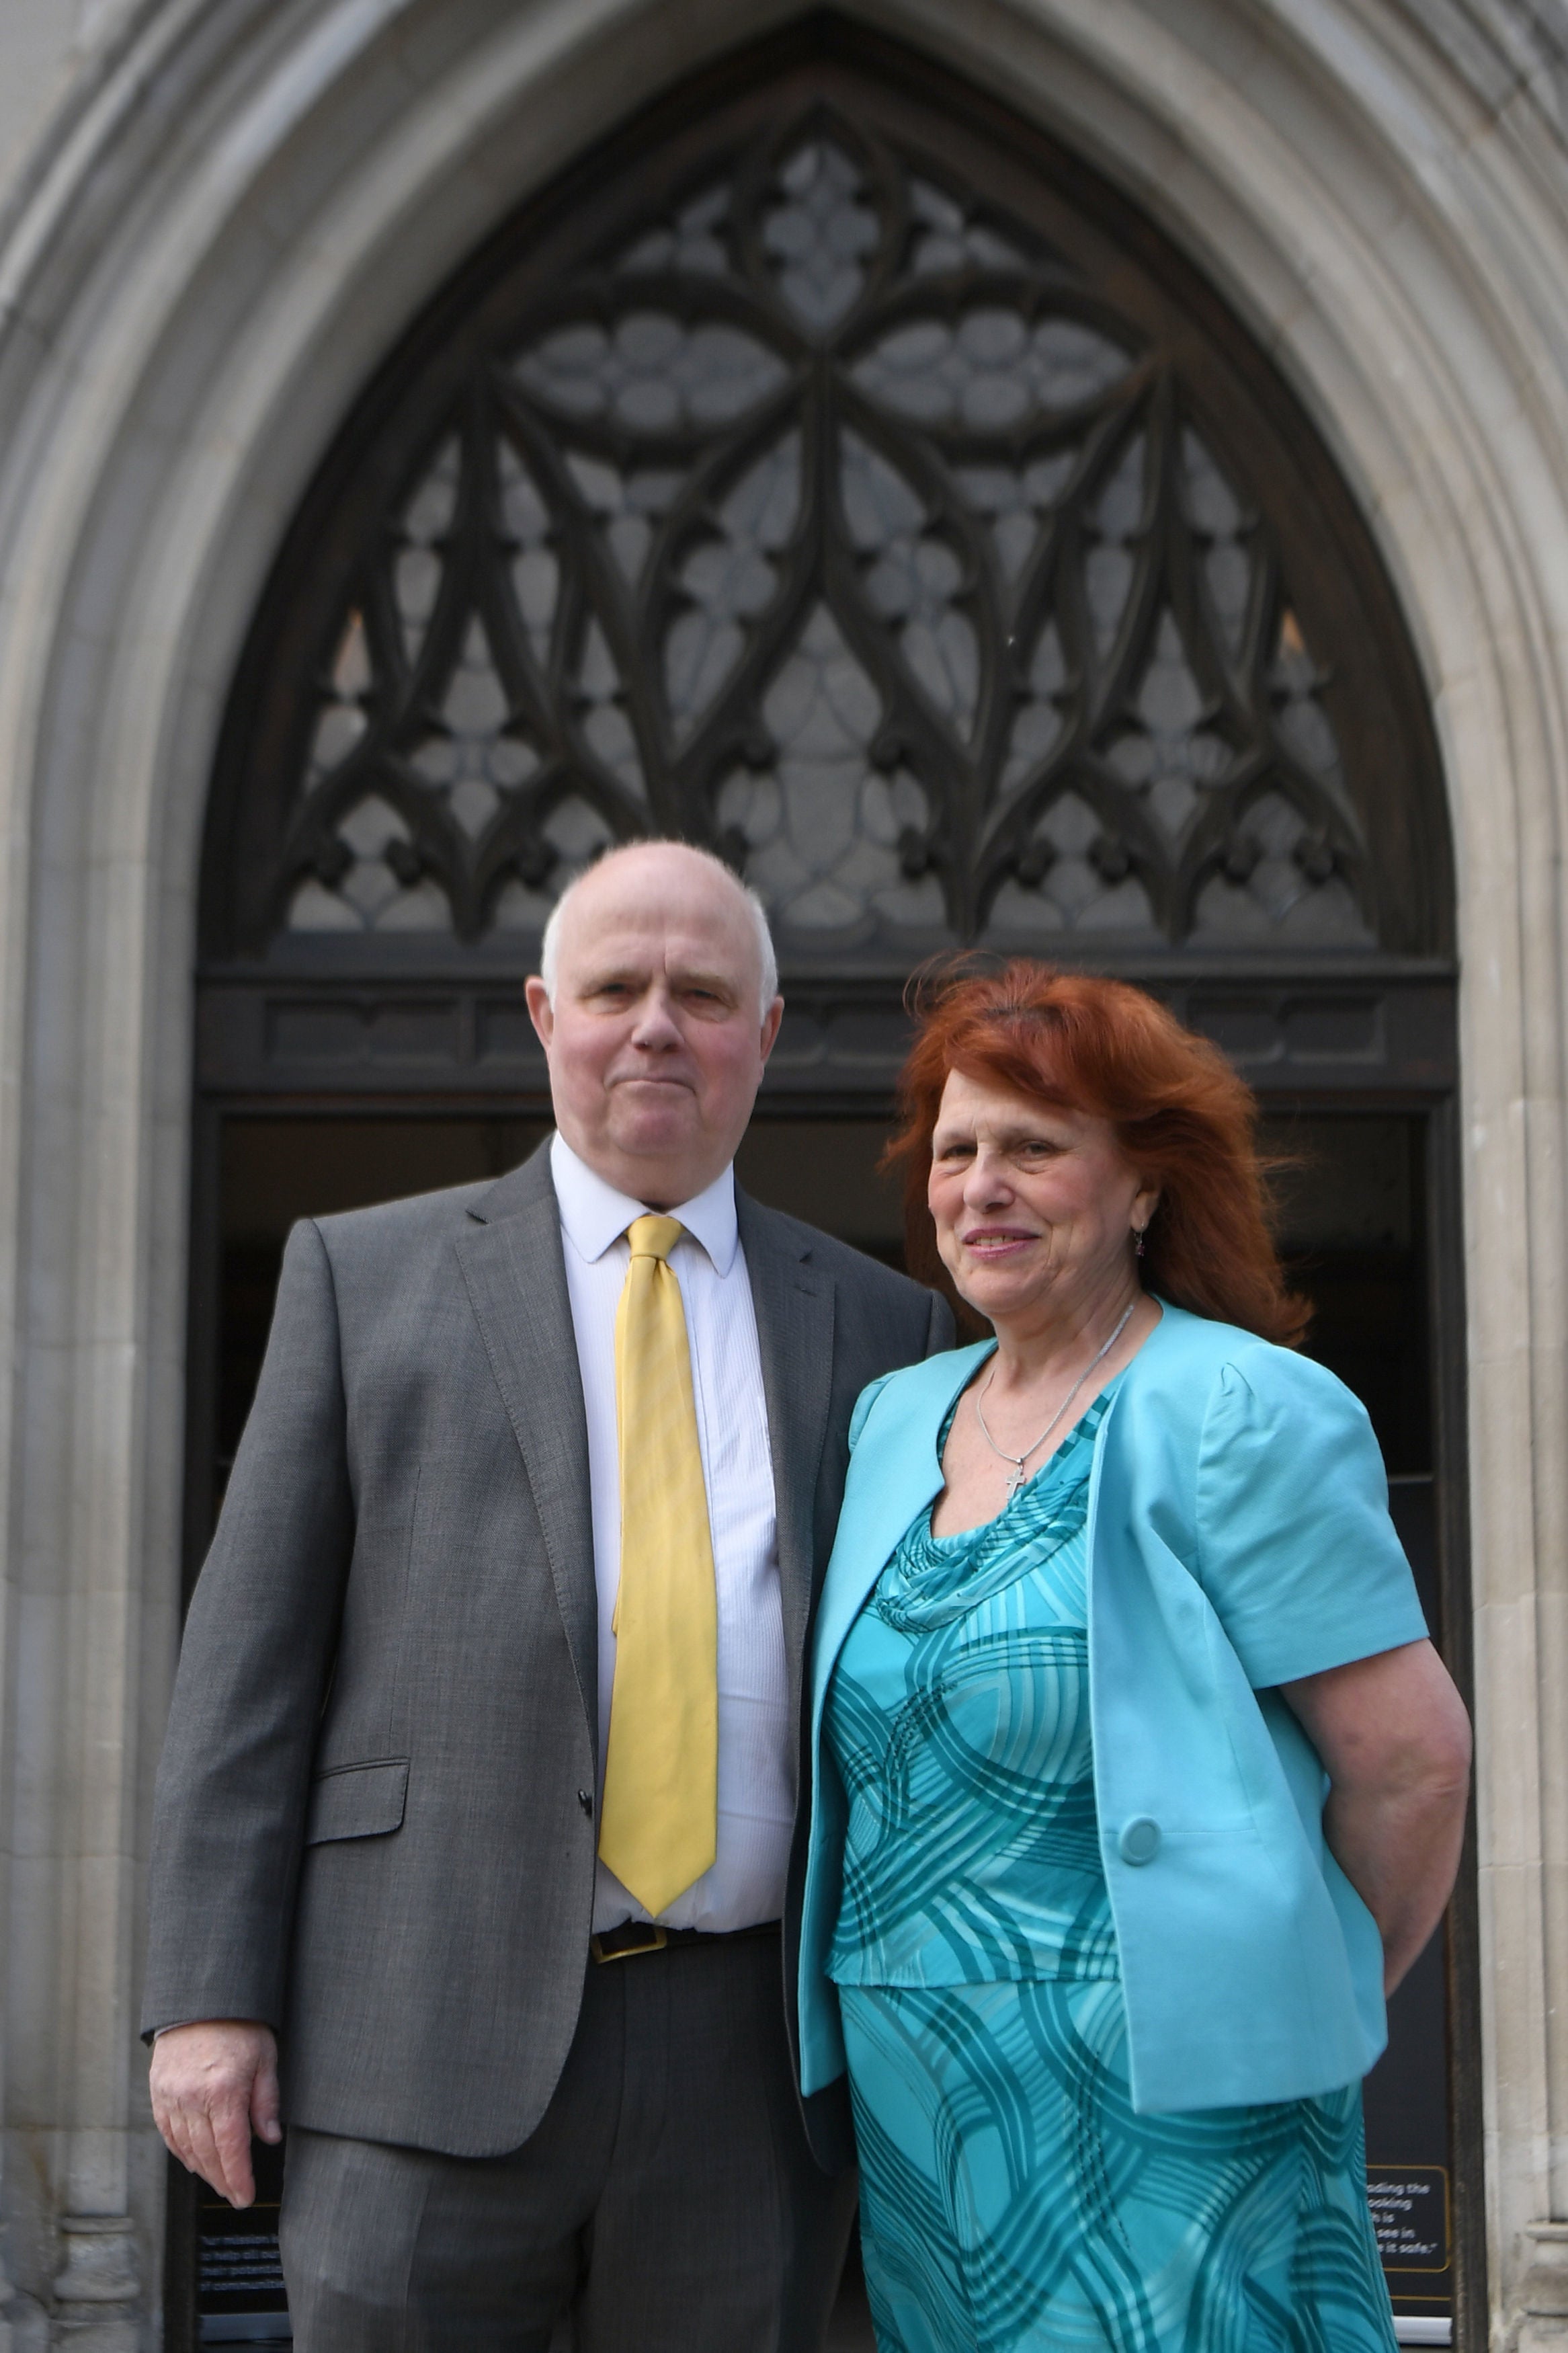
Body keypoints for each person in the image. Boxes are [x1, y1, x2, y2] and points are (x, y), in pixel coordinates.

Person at [143, 839, 953, 2352]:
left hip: (746, 2065)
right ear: (543, 1015)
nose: (656, 1023)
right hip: (416, 2030)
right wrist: (205, 1996)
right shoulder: (361, 1277)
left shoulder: (884, 1323)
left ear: (764, 1036)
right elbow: (246, 1667)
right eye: (615, 988)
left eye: (703, 992)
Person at [796, 961, 1473, 2353]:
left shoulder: (1241, 1405)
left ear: (1145, 1186)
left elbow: (1411, 1768)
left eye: (1035, 1148)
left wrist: (1290, 1979)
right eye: (958, 1150)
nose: (983, 1184)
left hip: (1184, 2105)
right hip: (924, 2108)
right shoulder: (888, 1421)